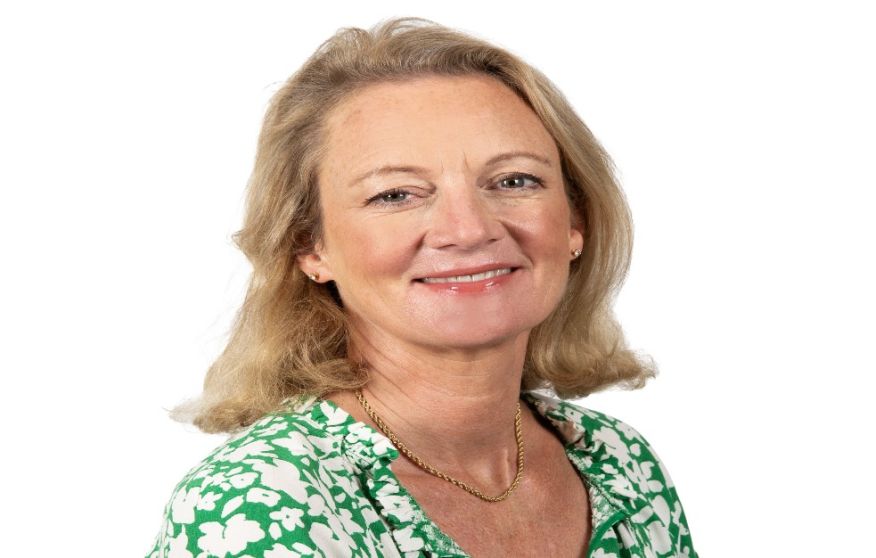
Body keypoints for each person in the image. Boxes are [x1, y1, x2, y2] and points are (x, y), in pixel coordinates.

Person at [147, 17, 697, 558]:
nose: (470, 229)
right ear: (309, 246)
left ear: (575, 221)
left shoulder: (618, 463)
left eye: (514, 180)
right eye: (396, 194)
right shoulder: (261, 501)